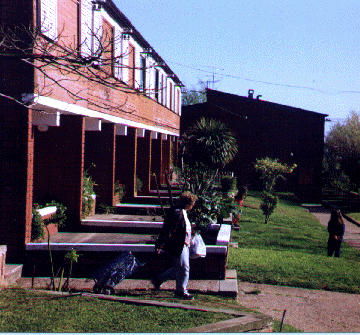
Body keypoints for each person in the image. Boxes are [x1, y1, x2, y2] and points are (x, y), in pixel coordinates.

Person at [152, 191, 198, 300]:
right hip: (178, 244)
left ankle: (159, 279)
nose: (193, 206)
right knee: (184, 267)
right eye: (192, 204)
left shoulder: (182, 212)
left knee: (180, 267)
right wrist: (160, 243)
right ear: (188, 203)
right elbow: (168, 229)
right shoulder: (177, 213)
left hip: (184, 244)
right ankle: (181, 290)